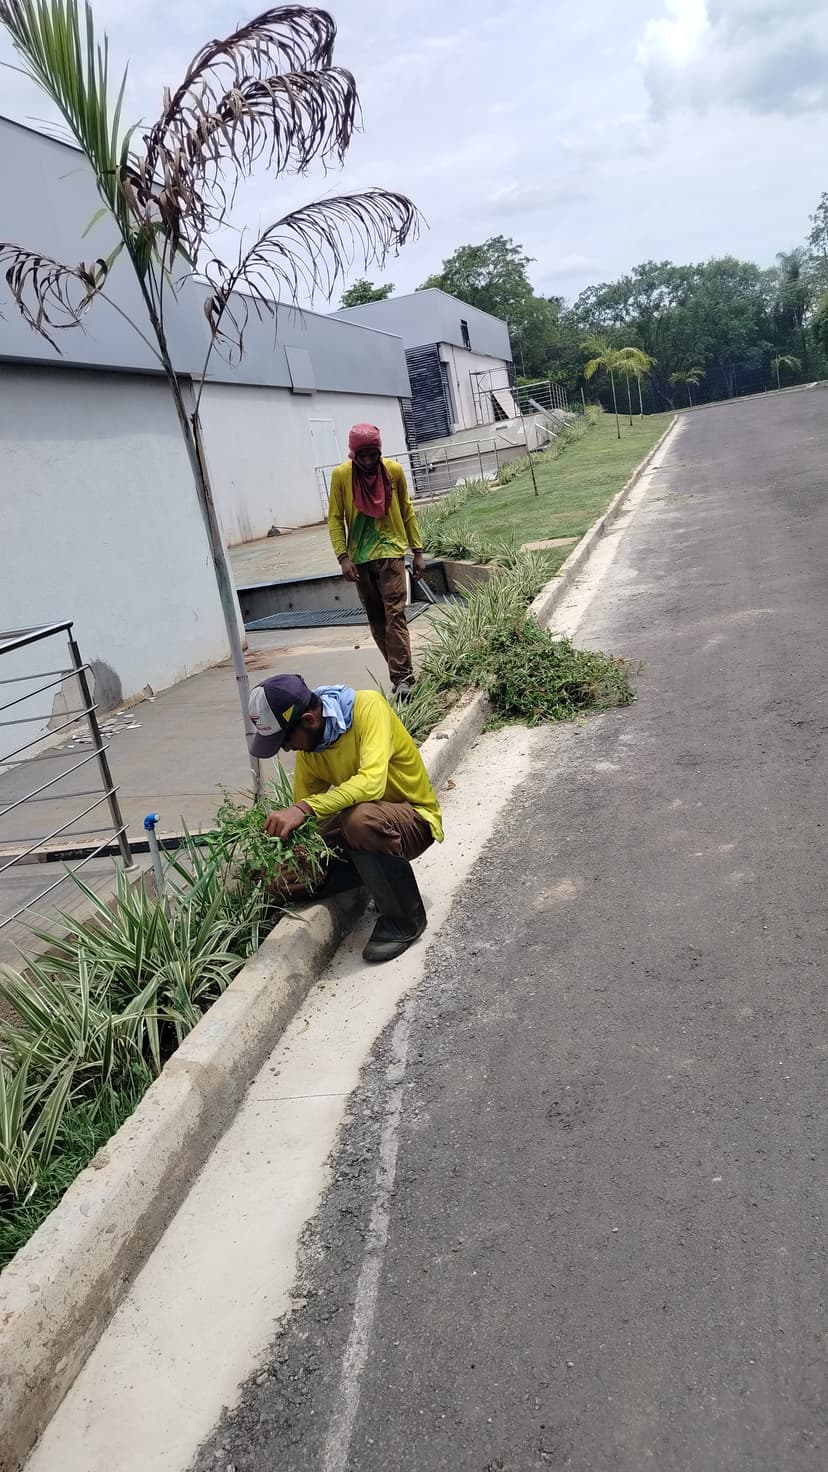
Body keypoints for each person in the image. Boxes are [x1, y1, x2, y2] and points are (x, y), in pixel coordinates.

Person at [248, 674, 443, 964]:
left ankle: (405, 920)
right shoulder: (311, 749)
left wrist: (303, 809)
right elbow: (308, 820)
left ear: (309, 720)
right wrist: (291, 848)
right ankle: (373, 874)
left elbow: (372, 783)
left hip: (412, 818)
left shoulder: (368, 708)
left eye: (285, 740)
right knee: (280, 877)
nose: (286, 749)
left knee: (358, 819)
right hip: (365, 827)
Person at [327, 423, 426, 699]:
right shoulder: (341, 476)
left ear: (380, 451)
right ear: (353, 455)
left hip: (391, 552)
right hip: (360, 558)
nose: (369, 461)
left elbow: (406, 510)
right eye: (363, 456)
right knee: (377, 619)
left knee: (395, 614)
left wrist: (417, 551)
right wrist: (343, 557)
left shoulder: (393, 472)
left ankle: (403, 678)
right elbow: (335, 518)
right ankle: (399, 673)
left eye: (374, 454)